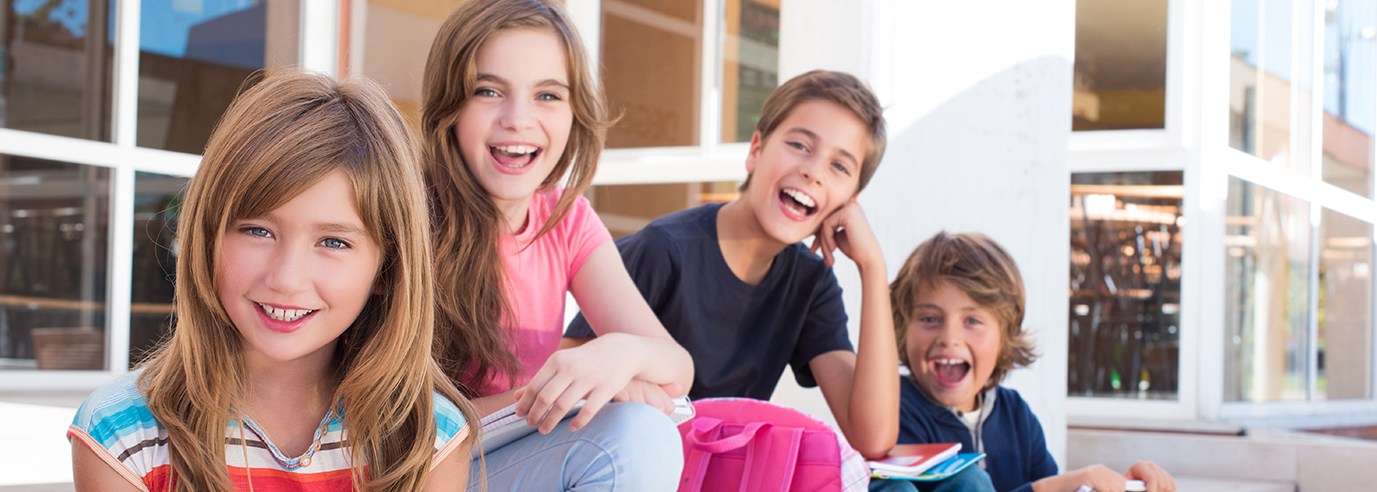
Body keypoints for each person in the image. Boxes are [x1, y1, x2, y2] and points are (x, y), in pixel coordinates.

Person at [67, 71, 473, 491]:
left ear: (387, 269)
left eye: (333, 241)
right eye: (258, 231)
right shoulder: (124, 433)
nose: (286, 278)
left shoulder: (427, 437)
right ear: (207, 238)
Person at [421, 0, 693, 489]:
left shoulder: (564, 219)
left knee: (642, 431)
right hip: (421, 470)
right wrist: (563, 393)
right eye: (488, 91)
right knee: (630, 437)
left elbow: (677, 365)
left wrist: (617, 357)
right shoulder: (410, 215)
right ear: (450, 108)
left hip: (504, 462)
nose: (518, 119)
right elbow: (399, 423)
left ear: (575, 114)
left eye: (547, 95)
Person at [564, 69, 901, 459]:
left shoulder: (810, 283)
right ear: (755, 149)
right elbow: (567, 377)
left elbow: (873, 437)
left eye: (839, 167)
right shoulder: (665, 249)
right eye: (799, 145)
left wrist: (873, 268)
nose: (813, 172)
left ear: (850, 200)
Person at [890, 232, 1176, 492]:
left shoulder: (1016, 415)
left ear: (1005, 335)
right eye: (930, 319)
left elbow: (1063, 487)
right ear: (902, 328)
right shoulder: (892, 412)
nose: (949, 337)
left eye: (972, 320)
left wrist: (1119, 486)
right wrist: (1051, 487)